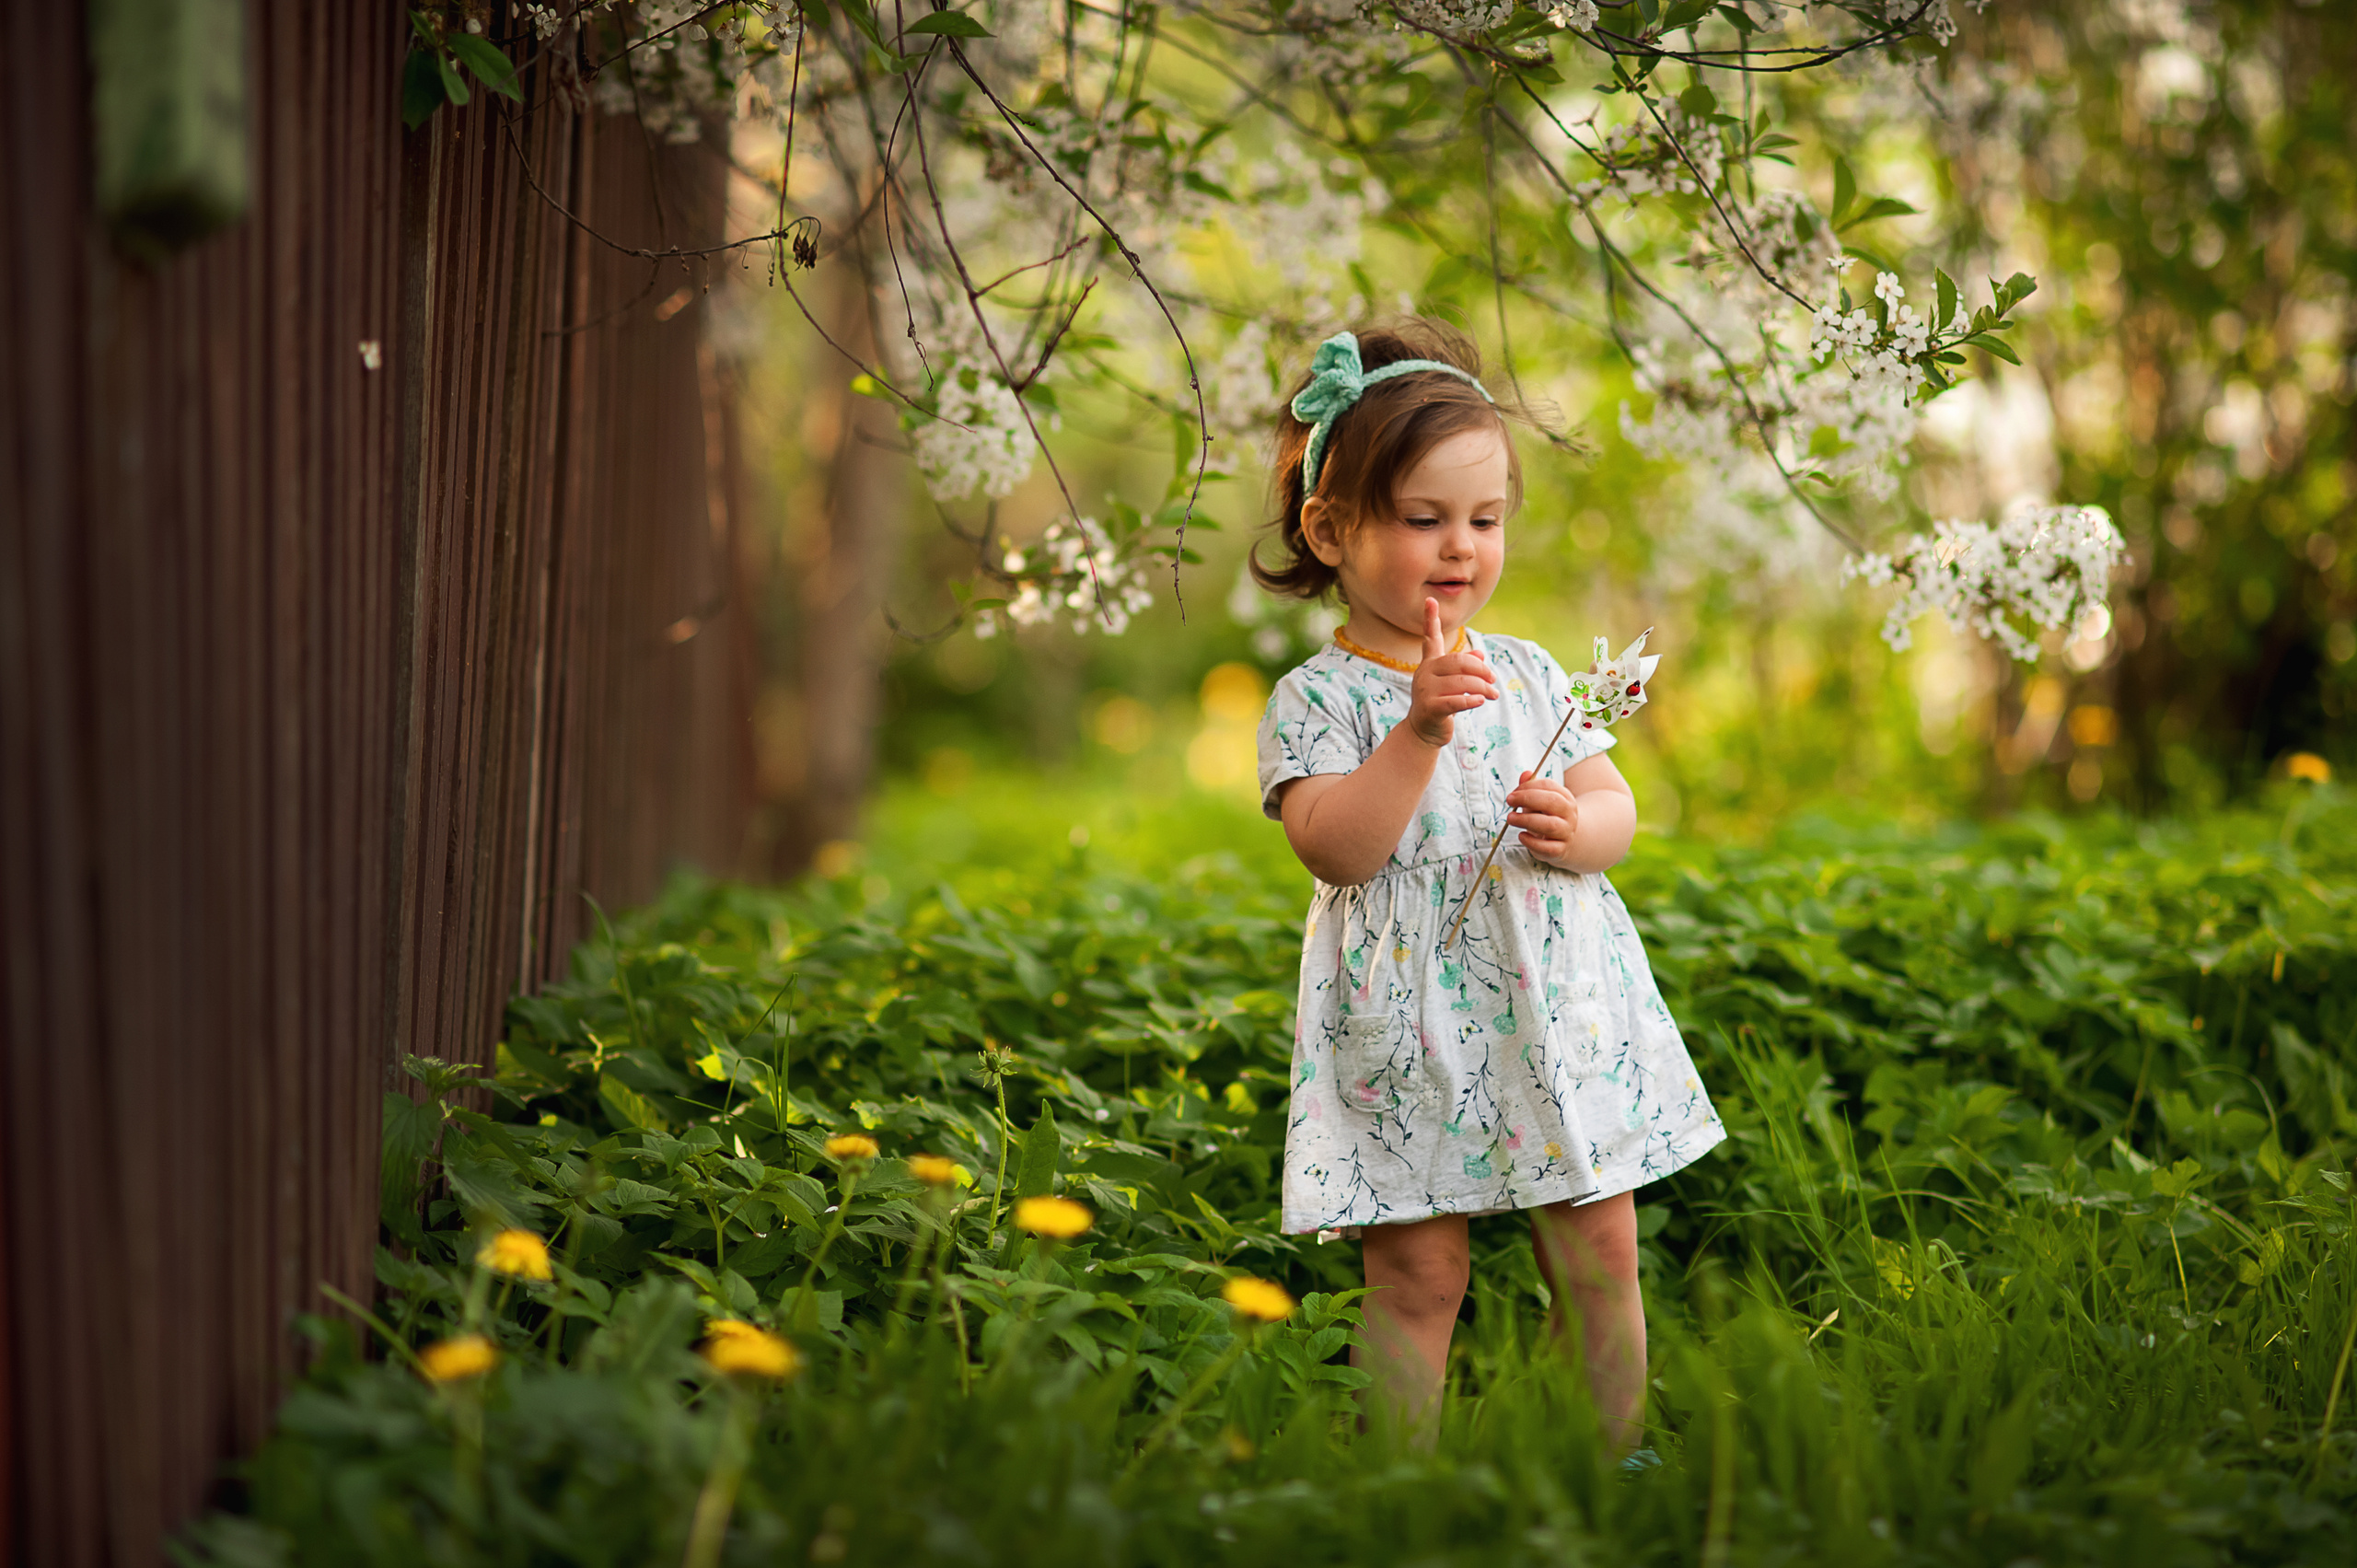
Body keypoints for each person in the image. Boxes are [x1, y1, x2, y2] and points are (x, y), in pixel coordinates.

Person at [1249, 319, 1724, 1450]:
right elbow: (1336, 848)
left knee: (1599, 1248)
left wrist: (1583, 827)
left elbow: (1615, 804)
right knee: (1418, 1269)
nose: (1459, 546)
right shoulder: (1315, 701)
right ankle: (1395, 1485)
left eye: (1484, 517)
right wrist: (1416, 728)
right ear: (1331, 527)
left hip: (1553, 1008)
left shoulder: (1527, 671)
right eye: (1423, 519)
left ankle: (1608, 1459)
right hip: (1408, 1027)